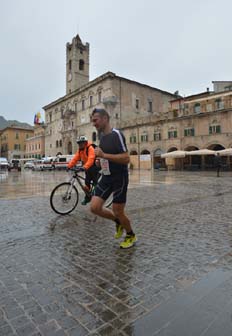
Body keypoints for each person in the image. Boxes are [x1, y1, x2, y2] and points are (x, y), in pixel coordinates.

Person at [90, 108, 137, 249]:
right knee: (94, 207)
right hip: (106, 175)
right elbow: (104, 155)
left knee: (118, 210)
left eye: (95, 120)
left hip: (119, 177)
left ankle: (131, 235)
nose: (94, 123)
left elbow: (126, 158)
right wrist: (100, 161)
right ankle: (118, 222)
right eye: (92, 120)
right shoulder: (101, 136)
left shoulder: (117, 135)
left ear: (105, 118)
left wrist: (104, 156)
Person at [67, 136, 100, 205]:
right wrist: (69, 166)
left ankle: (98, 198)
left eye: (81, 143)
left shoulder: (90, 148)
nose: (80, 145)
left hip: (94, 167)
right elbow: (75, 159)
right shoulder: (80, 151)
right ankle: (87, 198)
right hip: (87, 168)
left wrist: (84, 167)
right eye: (79, 144)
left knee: (95, 183)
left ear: (85, 143)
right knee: (86, 184)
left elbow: (91, 159)